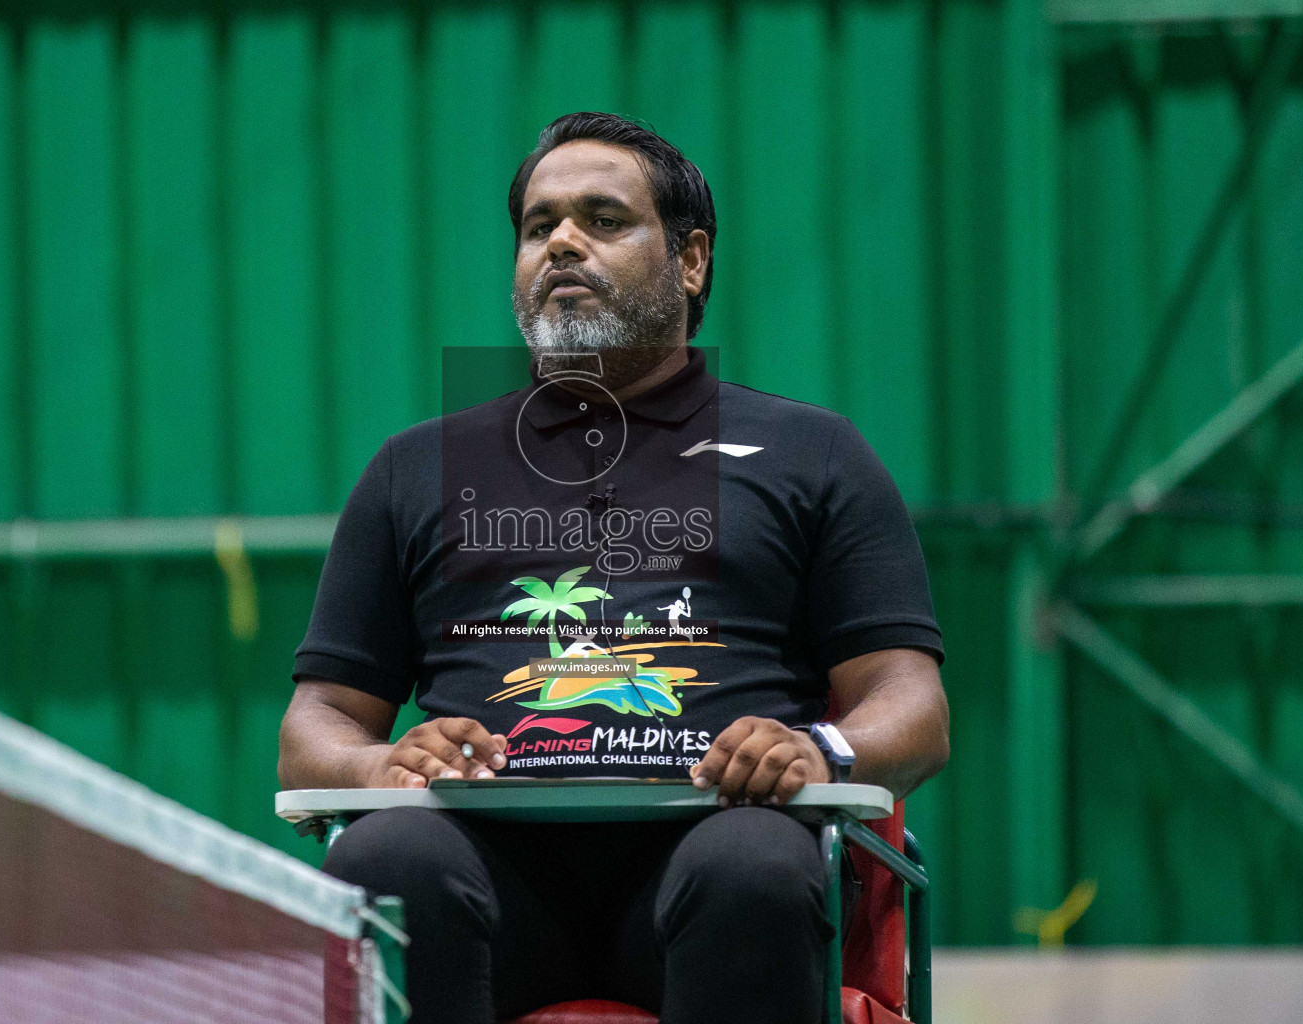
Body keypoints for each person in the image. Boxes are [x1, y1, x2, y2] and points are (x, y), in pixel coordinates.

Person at [279, 112, 949, 1024]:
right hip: (482, 871)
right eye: (537, 225)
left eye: (603, 219)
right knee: (382, 863)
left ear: (692, 261)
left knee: (755, 865)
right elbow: (314, 725)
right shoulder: (414, 467)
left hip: (711, 854)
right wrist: (379, 766)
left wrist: (818, 749)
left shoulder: (814, 454)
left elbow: (914, 710)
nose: (561, 241)